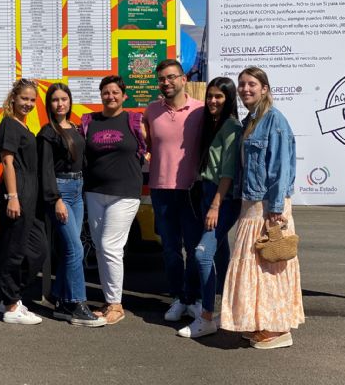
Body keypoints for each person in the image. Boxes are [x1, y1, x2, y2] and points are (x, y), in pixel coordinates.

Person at [220, 67, 304, 349]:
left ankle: (278, 329)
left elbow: (281, 167)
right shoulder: (251, 121)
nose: (245, 89)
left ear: (265, 88)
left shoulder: (274, 121)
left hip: (268, 205)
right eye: (242, 84)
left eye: (252, 84)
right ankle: (262, 323)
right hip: (253, 202)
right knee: (256, 267)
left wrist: (276, 209)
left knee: (268, 268)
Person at [177, 77, 242, 338]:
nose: (213, 101)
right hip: (206, 193)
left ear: (229, 99)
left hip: (222, 199)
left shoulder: (231, 127)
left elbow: (228, 172)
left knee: (203, 254)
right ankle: (228, 308)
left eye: (219, 97)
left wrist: (215, 205)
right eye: (210, 96)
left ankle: (206, 317)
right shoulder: (212, 123)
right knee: (220, 252)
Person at [38, 83, 106, 327]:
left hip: (77, 191)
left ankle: (62, 300)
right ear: (49, 104)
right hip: (61, 192)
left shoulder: (76, 128)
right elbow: (45, 170)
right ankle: (77, 303)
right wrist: (55, 199)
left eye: (64, 99)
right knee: (76, 250)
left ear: (70, 101)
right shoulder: (47, 133)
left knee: (70, 250)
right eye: (55, 100)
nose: (60, 104)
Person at [81, 75, 146, 325]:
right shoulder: (90, 121)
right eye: (106, 92)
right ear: (101, 95)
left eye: (115, 92)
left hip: (125, 193)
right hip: (95, 192)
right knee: (100, 247)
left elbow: (152, 145)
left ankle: (117, 304)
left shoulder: (134, 120)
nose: (111, 96)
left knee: (110, 246)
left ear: (124, 95)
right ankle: (109, 300)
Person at [144, 59, 205, 322]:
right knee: (170, 248)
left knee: (194, 249)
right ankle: (178, 298)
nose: (166, 83)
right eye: (161, 79)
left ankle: (194, 298)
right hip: (160, 189)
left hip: (191, 190)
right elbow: (143, 144)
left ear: (183, 79)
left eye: (170, 77)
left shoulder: (200, 111)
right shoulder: (151, 111)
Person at [0, 78, 47, 325]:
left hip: (31, 197)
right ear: (13, 98)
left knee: (38, 250)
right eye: (24, 98)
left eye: (32, 100)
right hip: (17, 195)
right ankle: (11, 306)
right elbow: (7, 162)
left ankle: (9, 296)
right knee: (13, 251)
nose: (28, 103)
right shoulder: (8, 125)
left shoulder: (24, 127)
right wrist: (12, 197)